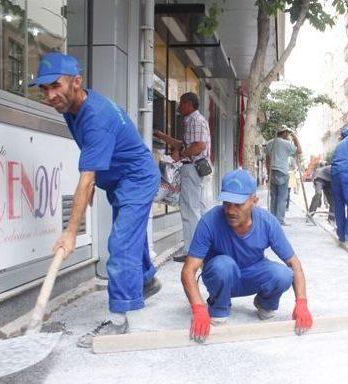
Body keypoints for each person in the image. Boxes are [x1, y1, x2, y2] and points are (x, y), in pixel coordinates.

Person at [30, 52, 161, 346]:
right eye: (45, 89)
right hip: (120, 180)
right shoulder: (71, 107)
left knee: (120, 243)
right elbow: (90, 169)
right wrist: (88, 193)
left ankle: (118, 321)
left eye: (56, 86)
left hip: (137, 179)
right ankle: (146, 279)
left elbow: (87, 178)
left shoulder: (96, 118)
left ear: (76, 82)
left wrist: (70, 232)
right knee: (131, 236)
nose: (50, 95)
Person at [181, 169, 313, 342]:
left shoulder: (267, 222)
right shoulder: (209, 222)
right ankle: (219, 307)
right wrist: (198, 309)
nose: (230, 210)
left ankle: (264, 304)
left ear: (254, 201)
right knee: (223, 265)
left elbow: (294, 264)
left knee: (283, 274)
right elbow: (188, 271)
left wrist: (301, 303)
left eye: (238, 204)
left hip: (253, 275)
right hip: (222, 277)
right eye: (227, 203)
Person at [153, 92, 210, 263]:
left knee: (189, 210)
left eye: (181, 103)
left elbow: (199, 146)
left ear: (190, 104)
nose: (178, 106)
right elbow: (183, 144)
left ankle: (192, 252)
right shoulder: (191, 121)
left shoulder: (196, 120)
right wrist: (162, 136)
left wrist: (182, 154)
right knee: (196, 208)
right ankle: (200, 248)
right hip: (192, 168)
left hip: (192, 168)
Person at [265, 126, 301, 225]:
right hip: (282, 172)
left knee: (274, 196)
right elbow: (299, 151)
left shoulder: (269, 143)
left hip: (272, 171)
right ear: (284, 133)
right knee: (282, 197)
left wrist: (268, 172)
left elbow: (267, 159)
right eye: (288, 134)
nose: (288, 136)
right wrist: (295, 138)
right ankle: (279, 220)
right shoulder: (286, 144)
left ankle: (273, 219)